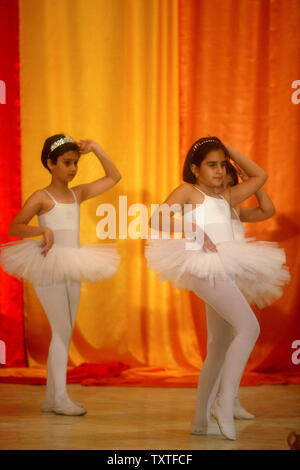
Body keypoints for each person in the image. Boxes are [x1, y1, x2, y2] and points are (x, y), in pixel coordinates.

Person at [145, 136, 289, 440]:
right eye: (212, 165)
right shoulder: (189, 191)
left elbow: (261, 176)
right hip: (203, 265)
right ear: (195, 169)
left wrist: (230, 152)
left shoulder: (227, 197)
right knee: (249, 328)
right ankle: (226, 400)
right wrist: (190, 227)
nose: (220, 171)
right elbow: (156, 218)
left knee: (218, 347)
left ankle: (200, 419)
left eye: (223, 165)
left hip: (226, 265)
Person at [0, 135, 121, 416]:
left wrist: (97, 149)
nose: (73, 168)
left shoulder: (77, 194)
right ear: (50, 163)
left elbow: (114, 177)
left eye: (75, 163)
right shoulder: (42, 197)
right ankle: (60, 398)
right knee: (62, 330)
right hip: (49, 263)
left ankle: (52, 398)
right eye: (67, 163)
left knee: (63, 332)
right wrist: (41, 230)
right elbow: (14, 227)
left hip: (73, 263)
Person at [209, 161, 277, 422]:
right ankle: (222, 400)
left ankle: (230, 398)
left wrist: (254, 181)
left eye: (230, 179)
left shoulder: (236, 209)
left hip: (235, 277)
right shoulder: (217, 206)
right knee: (224, 339)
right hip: (218, 276)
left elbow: (268, 210)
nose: (226, 182)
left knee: (232, 337)